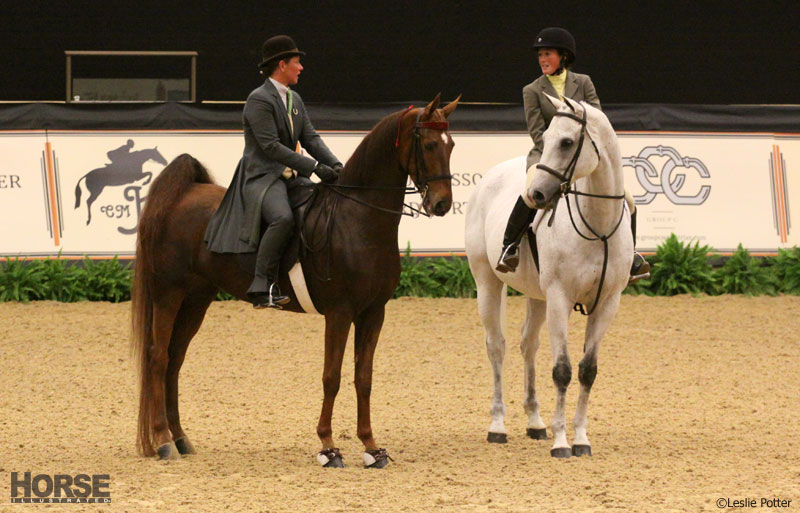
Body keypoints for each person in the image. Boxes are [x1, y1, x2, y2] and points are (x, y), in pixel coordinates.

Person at [496, 27, 650, 283]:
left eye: (548, 54)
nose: (543, 59)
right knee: (529, 194)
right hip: (548, 158)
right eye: (540, 55)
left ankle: (630, 256)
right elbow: (538, 133)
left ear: (563, 57)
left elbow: (598, 120)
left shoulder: (584, 82)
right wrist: (559, 156)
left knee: (629, 200)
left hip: (584, 157)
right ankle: (509, 247)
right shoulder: (532, 90)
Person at [204, 35, 343, 308]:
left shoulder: (295, 100)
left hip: (292, 177)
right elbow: (271, 147)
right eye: (297, 62)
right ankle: (260, 284)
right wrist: (314, 167)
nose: (301, 68)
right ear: (282, 65)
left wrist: (337, 166)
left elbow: (311, 139)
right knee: (282, 218)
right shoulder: (259, 100)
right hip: (263, 176)